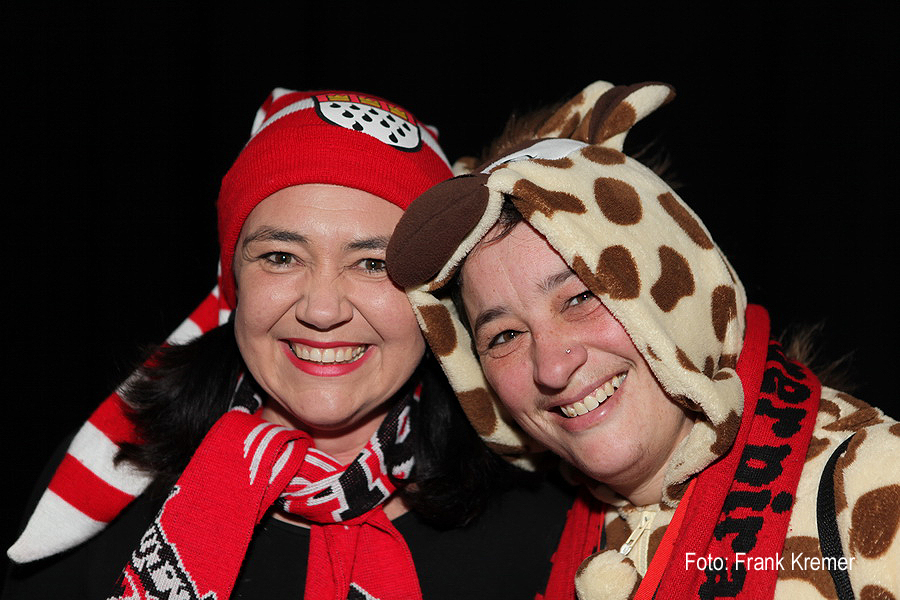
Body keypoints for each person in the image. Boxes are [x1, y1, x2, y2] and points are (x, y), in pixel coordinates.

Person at [3, 88, 573, 599]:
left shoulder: (541, 513)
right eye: (281, 257)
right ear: (234, 282)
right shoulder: (116, 482)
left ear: (435, 299)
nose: (322, 310)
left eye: (373, 263)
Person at [385, 80, 900, 599]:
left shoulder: (871, 485)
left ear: (670, 292)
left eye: (580, 297)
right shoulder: (537, 532)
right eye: (505, 335)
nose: (552, 367)